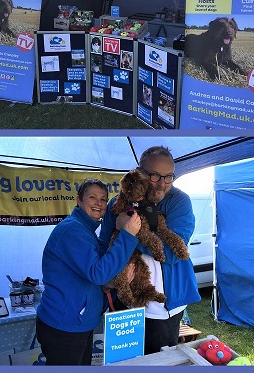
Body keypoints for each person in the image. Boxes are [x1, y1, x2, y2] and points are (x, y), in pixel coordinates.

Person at [99, 146, 201, 355]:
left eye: (169, 177)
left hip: (162, 306)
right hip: (123, 298)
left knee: (159, 359)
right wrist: (108, 281)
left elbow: (170, 254)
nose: (163, 183)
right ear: (140, 172)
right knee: (124, 358)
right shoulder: (117, 203)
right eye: (155, 176)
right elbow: (103, 245)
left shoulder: (180, 202)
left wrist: (128, 231)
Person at [36, 179, 142, 365]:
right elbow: (97, 273)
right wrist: (127, 235)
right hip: (64, 328)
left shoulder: (85, 229)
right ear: (79, 200)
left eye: (103, 199)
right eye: (92, 197)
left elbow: (91, 273)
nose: (98, 203)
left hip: (79, 324)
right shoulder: (72, 230)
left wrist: (113, 282)